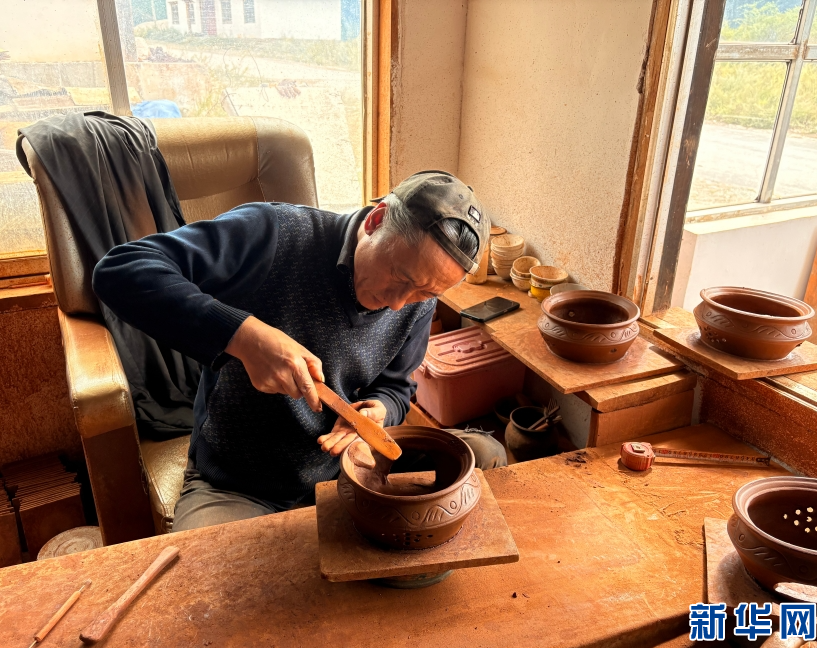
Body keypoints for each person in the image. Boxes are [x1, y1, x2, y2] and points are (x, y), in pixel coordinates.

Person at [93, 170, 507, 531]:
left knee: (485, 455)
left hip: (349, 470)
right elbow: (120, 270)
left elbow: (397, 386)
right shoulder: (274, 233)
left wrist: (379, 411)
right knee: (209, 582)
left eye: (425, 294)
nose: (400, 304)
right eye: (400, 277)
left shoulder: (419, 296)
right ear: (376, 220)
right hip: (241, 484)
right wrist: (242, 335)